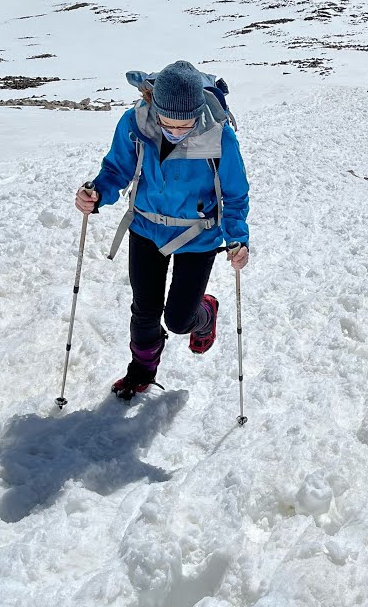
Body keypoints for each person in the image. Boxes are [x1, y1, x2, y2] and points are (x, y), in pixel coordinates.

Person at [74, 60, 250, 399]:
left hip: (197, 237)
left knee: (180, 320)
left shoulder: (219, 136)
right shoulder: (135, 124)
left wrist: (237, 238)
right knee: (145, 310)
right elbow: (116, 170)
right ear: (155, 107)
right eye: (168, 122)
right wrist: (96, 194)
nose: (176, 131)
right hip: (145, 228)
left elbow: (235, 194)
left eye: (185, 125)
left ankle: (205, 310)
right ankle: (140, 372)